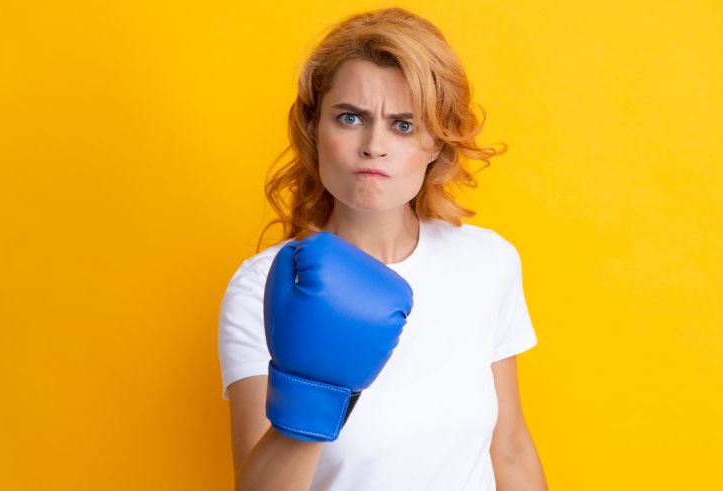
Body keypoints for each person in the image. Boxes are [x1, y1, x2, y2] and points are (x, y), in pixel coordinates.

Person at [217, 7, 548, 491]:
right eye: (350, 118)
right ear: (314, 129)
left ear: (437, 141)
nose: (374, 145)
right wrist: (314, 396)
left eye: (404, 125)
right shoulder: (264, 286)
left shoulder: (487, 263)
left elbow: (512, 449)